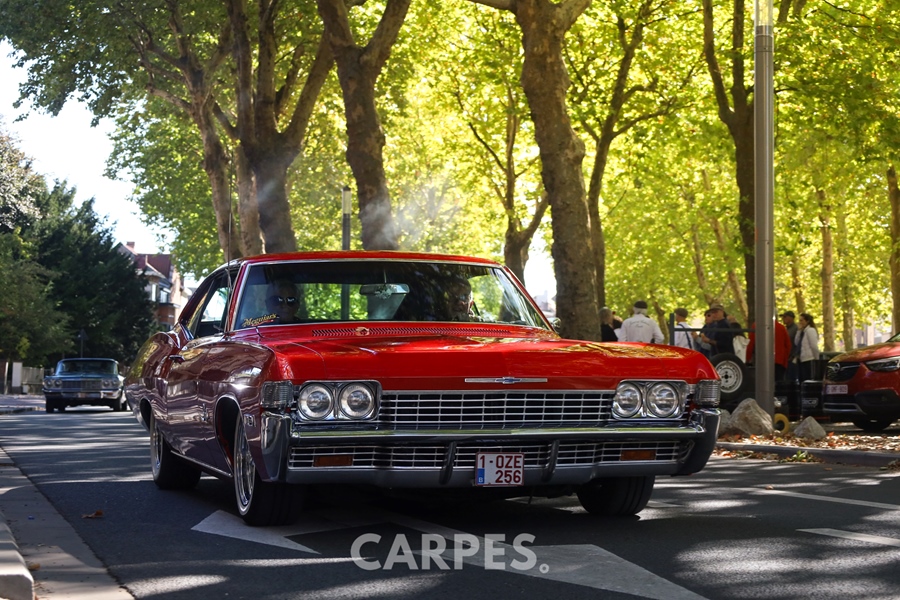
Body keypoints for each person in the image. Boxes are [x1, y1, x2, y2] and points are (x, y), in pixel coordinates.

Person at [795, 312, 820, 382]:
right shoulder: (803, 331)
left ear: (807, 321)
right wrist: (799, 331)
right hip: (801, 359)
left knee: (807, 378)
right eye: (799, 320)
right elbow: (796, 342)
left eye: (801, 320)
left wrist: (816, 358)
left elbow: (813, 345)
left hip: (808, 359)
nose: (800, 322)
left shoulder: (810, 330)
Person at [781, 311, 799, 382]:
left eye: (785, 317)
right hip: (786, 358)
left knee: (791, 379)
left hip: (792, 358)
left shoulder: (796, 329)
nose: (783, 318)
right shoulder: (786, 329)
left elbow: (797, 343)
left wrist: (793, 356)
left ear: (791, 318)